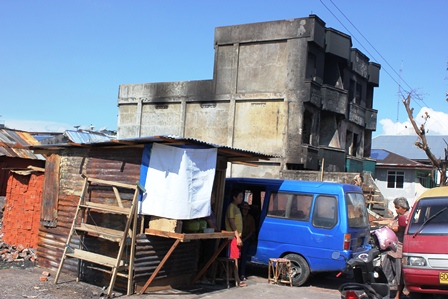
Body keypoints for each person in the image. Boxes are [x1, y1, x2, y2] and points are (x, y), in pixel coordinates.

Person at [384, 197, 410, 299]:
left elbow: (401, 228)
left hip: (399, 249)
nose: (396, 209)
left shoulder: (406, 217)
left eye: (398, 207)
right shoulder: (398, 216)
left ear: (403, 207)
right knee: (386, 270)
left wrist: (390, 227)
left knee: (399, 274)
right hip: (392, 248)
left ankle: (398, 295)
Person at [225, 188, 247, 287]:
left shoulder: (237, 208)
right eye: (240, 196)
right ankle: (237, 280)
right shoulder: (231, 207)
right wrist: (237, 237)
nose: (241, 199)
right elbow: (232, 222)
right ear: (234, 197)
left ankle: (234, 278)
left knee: (236, 257)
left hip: (238, 236)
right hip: (233, 236)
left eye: (242, 197)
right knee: (234, 258)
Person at [239, 201, 256, 281]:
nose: (245, 211)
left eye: (246, 209)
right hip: (237, 237)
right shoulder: (238, 217)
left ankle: (242, 274)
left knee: (244, 254)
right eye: (243, 209)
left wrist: (244, 240)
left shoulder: (250, 219)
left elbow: (251, 232)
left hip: (246, 239)